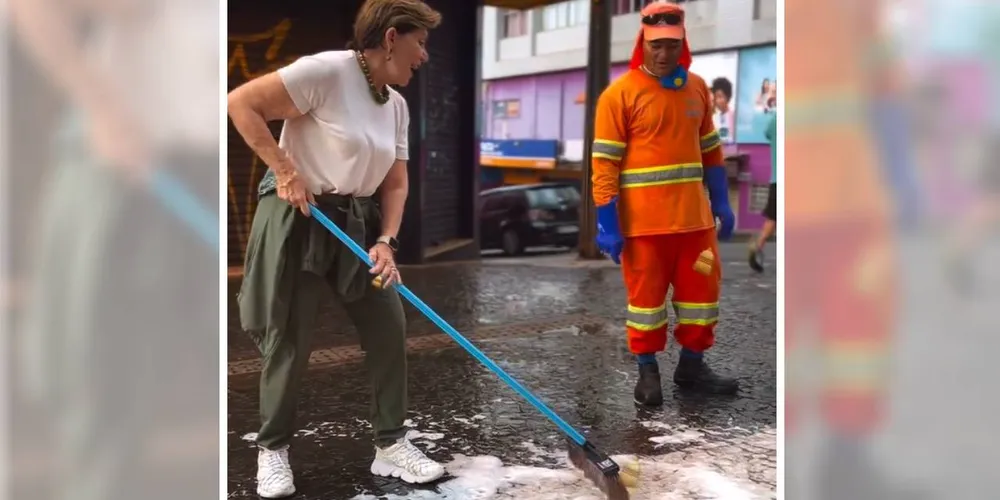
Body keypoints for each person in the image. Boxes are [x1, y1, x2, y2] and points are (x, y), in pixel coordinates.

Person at [226, 0, 444, 497]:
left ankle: (390, 445)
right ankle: (273, 450)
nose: (425, 55)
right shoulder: (325, 71)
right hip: (300, 216)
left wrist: (387, 241)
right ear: (391, 37)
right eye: (421, 42)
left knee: (388, 323)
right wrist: (284, 170)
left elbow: (395, 182)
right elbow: (241, 103)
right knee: (290, 338)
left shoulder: (396, 104)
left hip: (355, 220)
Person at [591, 1, 740, 407]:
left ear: (682, 43)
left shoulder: (696, 88)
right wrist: (607, 222)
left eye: (671, 45)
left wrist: (722, 203)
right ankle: (647, 374)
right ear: (643, 42)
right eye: (656, 45)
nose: (663, 53)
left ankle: (692, 367)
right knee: (645, 306)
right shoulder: (619, 95)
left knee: (702, 299)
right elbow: (604, 164)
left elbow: (710, 151)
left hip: (695, 227)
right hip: (644, 229)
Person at [749, 111, 778, 272]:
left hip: (777, 179)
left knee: (772, 218)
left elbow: (767, 134)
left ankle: (757, 245)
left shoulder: (775, 119)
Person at [710, 77, 735, 143]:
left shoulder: (734, 116)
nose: (717, 100)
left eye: (720, 97)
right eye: (716, 97)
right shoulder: (714, 117)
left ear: (728, 97)